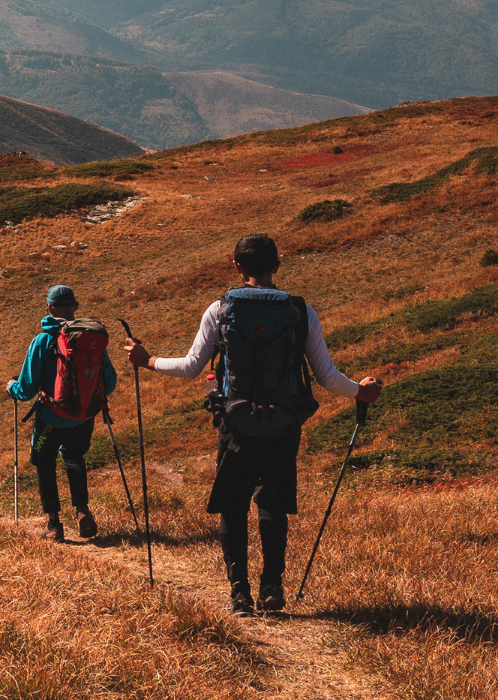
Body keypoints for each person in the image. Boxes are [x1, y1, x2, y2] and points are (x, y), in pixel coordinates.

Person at [123, 234, 381, 616]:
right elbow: (326, 376)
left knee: (233, 506)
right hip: (283, 423)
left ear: (237, 267)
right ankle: (272, 587)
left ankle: (239, 594)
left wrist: (148, 360)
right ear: (277, 265)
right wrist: (359, 392)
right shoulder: (299, 311)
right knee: (273, 505)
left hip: (235, 422)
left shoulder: (220, 309)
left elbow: (193, 366)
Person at [6, 283, 116, 542]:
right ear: (75, 307)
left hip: (50, 418)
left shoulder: (43, 340)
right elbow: (108, 383)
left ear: (49, 307)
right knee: (74, 457)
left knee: (44, 463)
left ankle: (54, 524)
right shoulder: (90, 339)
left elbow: (27, 388)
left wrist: (12, 388)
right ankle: (82, 510)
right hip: (84, 416)